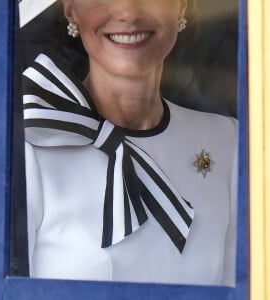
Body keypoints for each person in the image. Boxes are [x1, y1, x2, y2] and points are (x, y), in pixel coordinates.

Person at [22, 0, 237, 286]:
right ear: (70, 8)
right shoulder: (29, 144)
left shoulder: (228, 141)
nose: (128, 13)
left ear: (182, 6)